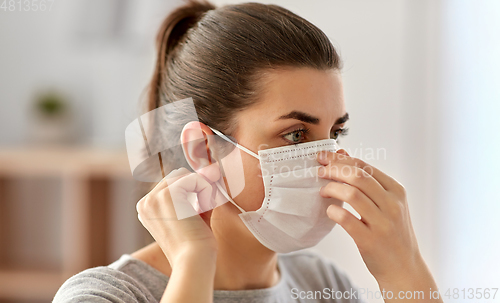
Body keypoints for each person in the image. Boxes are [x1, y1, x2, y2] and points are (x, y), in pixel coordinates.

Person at [53, 0, 443, 302]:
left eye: (335, 132)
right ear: (204, 150)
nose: (329, 162)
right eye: (295, 134)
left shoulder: (322, 284)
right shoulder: (105, 295)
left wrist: (404, 271)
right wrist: (192, 264)